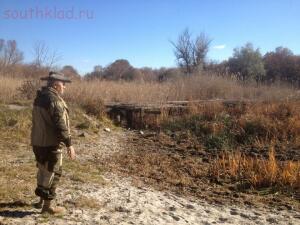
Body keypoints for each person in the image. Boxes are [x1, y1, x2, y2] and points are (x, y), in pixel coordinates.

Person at [31, 71, 76, 214]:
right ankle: (47, 206)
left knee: (43, 170)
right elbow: (60, 124)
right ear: (56, 85)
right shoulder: (53, 100)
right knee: (54, 172)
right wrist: (69, 144)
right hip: (50, 143)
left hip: (38, 141)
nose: (65, 87)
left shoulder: (40, 97)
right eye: (63, 85)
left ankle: (40, 201)